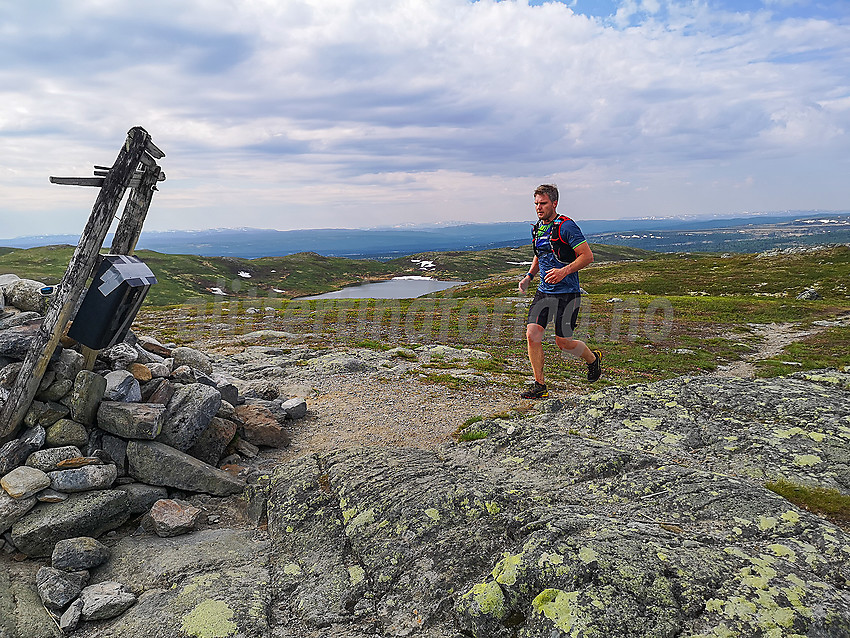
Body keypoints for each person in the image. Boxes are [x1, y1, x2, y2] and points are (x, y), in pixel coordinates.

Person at [517, 184, 601, 399]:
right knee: (532, 335)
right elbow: (541, 254)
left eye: (543, 203)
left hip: (567, 292)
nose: (538, 207)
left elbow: (587, 256)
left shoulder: (567, 226)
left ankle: (592, 359)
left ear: (554, 203)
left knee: (563, 342)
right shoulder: (538, 227)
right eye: (536, 203)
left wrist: (564, 272)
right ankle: (540, 385)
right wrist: (529, 276)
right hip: (544, 291)